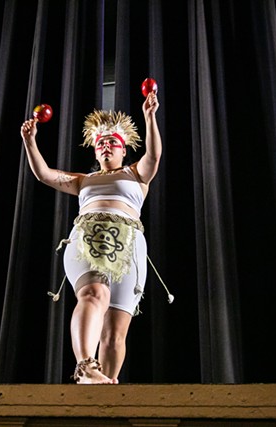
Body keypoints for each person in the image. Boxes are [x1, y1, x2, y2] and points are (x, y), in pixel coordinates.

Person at [20, 92, 161, 384]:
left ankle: (103, 390)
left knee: (115, 333)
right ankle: (85, 365)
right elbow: (44, 174)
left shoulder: (137, 175)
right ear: (95, 153)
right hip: (91, 238)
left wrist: (150, 118)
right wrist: (30, 141)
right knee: (95, 294)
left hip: (130, 246)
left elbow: (154, 155)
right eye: (101, 144)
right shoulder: (85, 180)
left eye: (113, 143)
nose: (106, 146)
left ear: (124, 151)